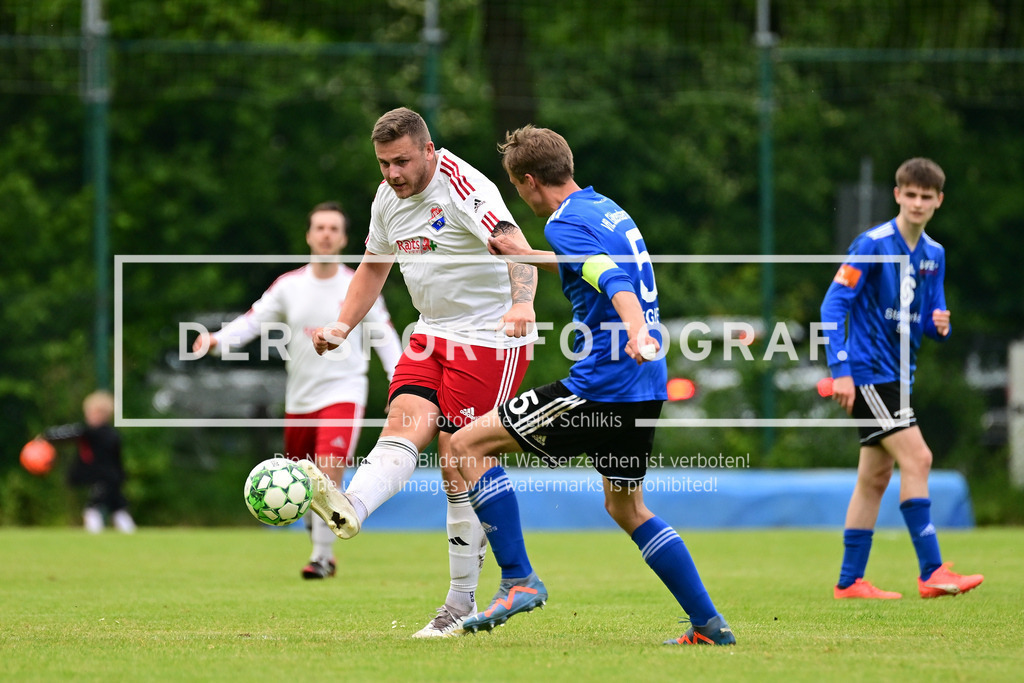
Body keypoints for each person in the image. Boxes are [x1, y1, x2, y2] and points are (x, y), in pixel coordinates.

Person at [445, 124, 736, 645]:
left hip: (602, 385)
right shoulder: (605, 209)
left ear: (530, 181)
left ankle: (517, 580)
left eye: (516, 187)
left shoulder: (563, 224)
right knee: (626, 507)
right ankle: (709, 625)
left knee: (467, 444)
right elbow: (593, 259)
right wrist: (529, 255)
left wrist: (634, 325)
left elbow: (608, 274)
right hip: (646, 383)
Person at [303, 107, 538, 637]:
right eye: (384, 163)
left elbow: (517, 249)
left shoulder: (463, 187)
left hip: (487, 338)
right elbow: (373, 266)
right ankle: (352, 506)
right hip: (431, 332)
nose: (392, 174)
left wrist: (522, 304)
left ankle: (459, 603)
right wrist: (342, 324)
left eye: (402, 162)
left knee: (458, 459)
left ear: (429, 151)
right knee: (403, 421)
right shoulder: (388, 198)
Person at [192, 201, 404, 580]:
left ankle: (322, 557)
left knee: (327, 473)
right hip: (300, 399)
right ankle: (316, 535)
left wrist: (401, 384)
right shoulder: (289, 286)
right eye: (319, 227)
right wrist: (216, 340)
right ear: (309, 236)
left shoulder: (359, 284)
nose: (326, 234)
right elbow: (253, 321)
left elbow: (385, 335)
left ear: (343, 239)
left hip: (344, 392)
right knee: (303, 484)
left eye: (333, 229)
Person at [821, 157, 983, 599]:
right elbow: (833, 306)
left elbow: (928, 320)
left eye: (925, 197)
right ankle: (932, 571)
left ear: (938, 202)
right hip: (871, 374)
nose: (916, 202)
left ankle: (849, 581)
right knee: (920, 459)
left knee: (875, 477)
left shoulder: (935, 255)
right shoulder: (872, 244)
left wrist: (939, 326)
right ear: (897, 195)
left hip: (900, 376)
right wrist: (841, 371)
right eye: (909, 194)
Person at [41, 390, 136, 533]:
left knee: (93, 507)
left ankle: (94, 535)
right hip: (113, 478)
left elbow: (69, 433)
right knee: (118, 507)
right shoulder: (113, 434)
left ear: (101, 414)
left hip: (103, 478)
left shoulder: (92, 433)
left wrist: (46, 436)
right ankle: (130, 533)